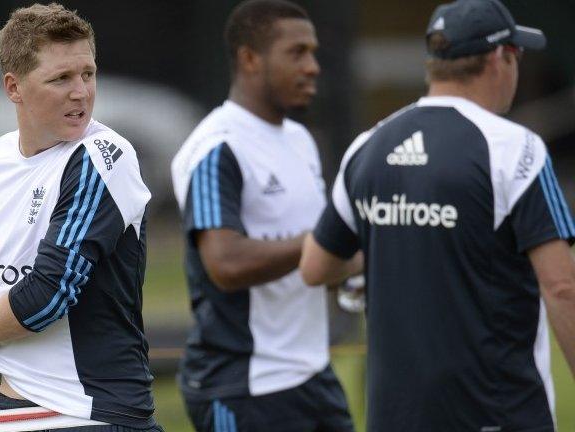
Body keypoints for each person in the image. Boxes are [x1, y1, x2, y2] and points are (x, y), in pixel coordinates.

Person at [300, 1, 575, 431]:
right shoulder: (516, 149)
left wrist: (399, 242)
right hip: (499, 416)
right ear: (501, 59)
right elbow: (562, 287)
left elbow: (316, 266)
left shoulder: (367, 146)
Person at [0, 4, 160, 431]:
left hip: (85, 412)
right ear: (14, 87)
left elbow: (50, 292)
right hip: (13, 408)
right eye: (60, 79)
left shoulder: (102, 158)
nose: (80, 92)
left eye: (88, 74)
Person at [170, 1, 355, 430]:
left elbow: (311, 260)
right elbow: (226, 263)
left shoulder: (301, 140)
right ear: (250, 58)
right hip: (243, 387)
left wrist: (356, 265)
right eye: (297, 52)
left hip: (312, 376)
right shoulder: (217, 147)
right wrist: (329, 241)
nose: (313, 67)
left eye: (313, 52)